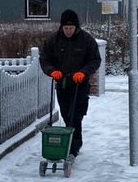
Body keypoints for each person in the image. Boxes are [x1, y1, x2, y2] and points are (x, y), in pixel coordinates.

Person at [39, 9, 101, 159]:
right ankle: (70, 143)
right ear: (61, 27)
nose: (68, 31)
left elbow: (95, 60)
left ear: (76, 27)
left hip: (80, 84)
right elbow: (45, 59)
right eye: (65, 28)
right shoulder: (53, 40)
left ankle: (74, 147)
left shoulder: (86, 39)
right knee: (67, 114)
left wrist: (84, 72)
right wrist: (52, 71)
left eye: (71, 28)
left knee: (76, 115)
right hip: (63, 83)